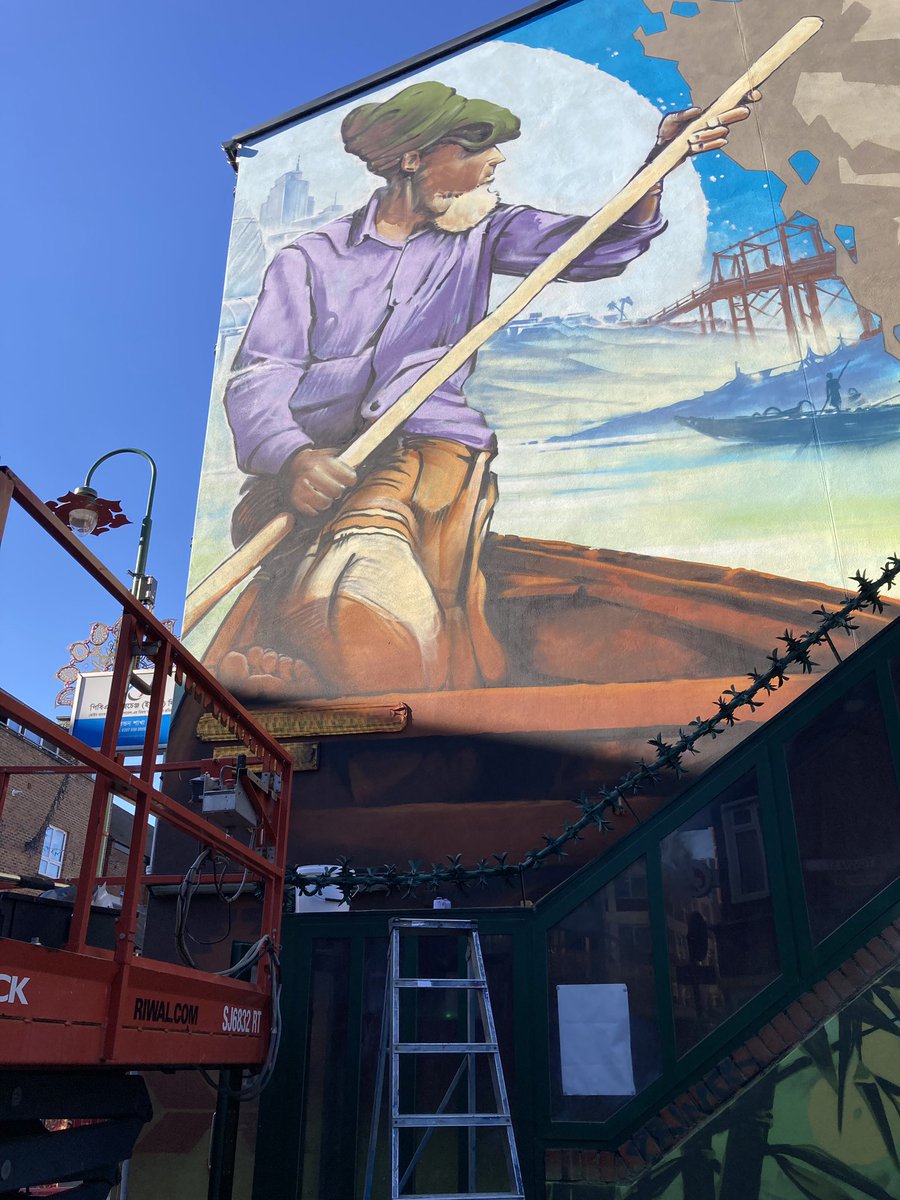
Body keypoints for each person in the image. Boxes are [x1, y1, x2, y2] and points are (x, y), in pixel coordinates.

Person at [216, 81, 757, 700]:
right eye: (476, 147)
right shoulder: (307, 260)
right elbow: (261, 375)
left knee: (367, 565)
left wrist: (660, 165)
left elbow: (595, 246)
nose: (495, 162)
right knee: (315, 570)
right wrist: (293, 456)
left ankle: (356, 639)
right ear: (414, 159)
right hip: (315, 470)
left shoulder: (485, 230)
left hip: (429, 452)